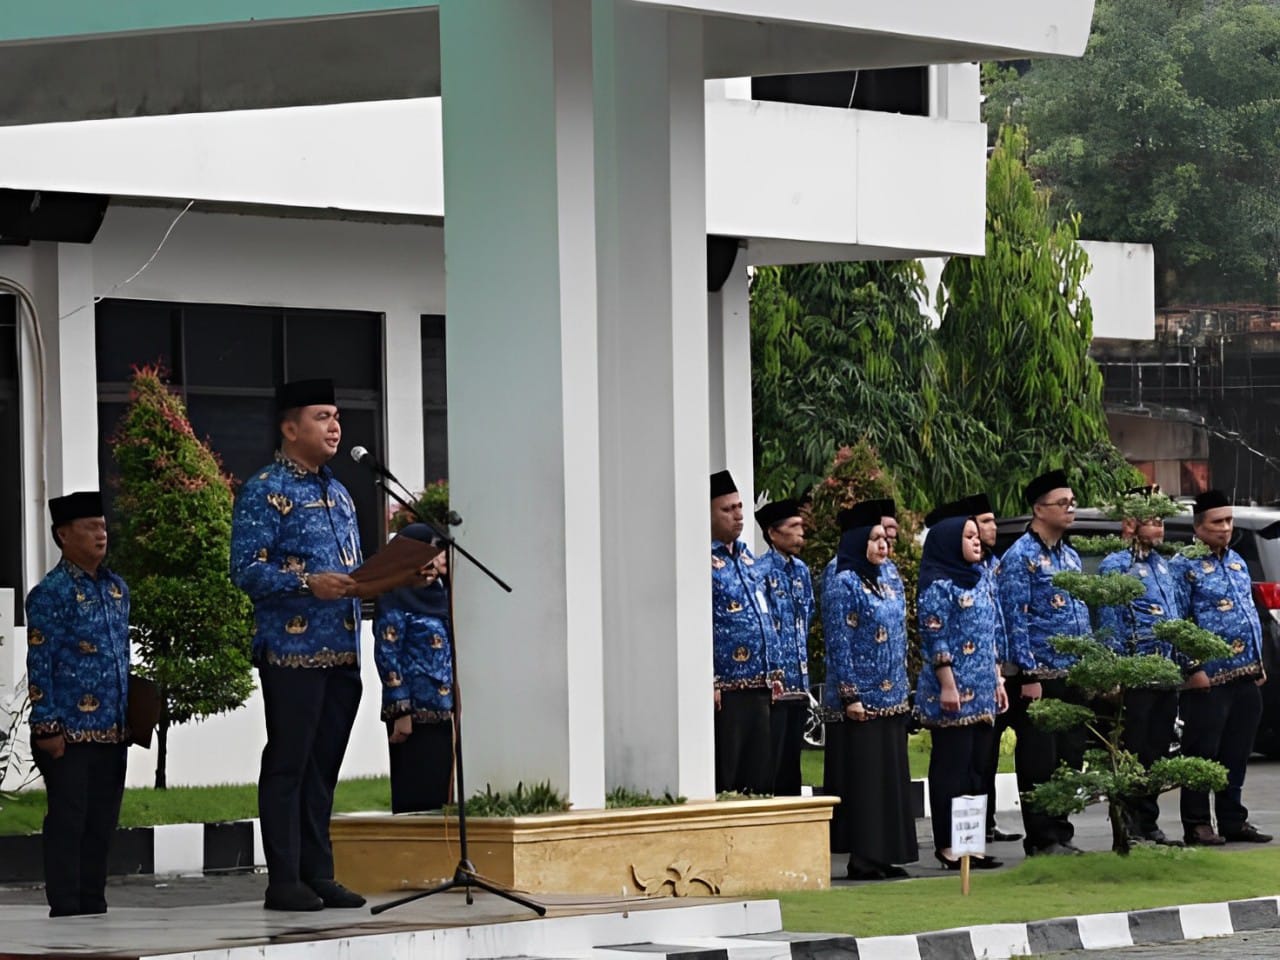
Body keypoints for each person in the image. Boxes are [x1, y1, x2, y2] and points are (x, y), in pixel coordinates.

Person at [230, 379, 367, 912]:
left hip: (343, 650)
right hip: (292, 653)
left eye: (337, 416)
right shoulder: (265, 490)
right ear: (290, 428)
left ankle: (318, 873)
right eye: (321, 416)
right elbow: (245, 570)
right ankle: (283, 879)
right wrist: (308, 583)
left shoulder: (340, 492)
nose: (335, 426)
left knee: (323, 769)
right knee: (289, 764)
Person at [25, 491, 130, 917]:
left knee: (102, 823)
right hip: (66, 733)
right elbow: (40, 662)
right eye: (90, 527)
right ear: (63, 535)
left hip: (113, 729)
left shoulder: (116, 589)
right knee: (69, 821)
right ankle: (66, 905)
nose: (101, 534)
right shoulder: (50, 594)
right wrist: (46, 726)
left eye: (102, 526)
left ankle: (93, 902)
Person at [996, 469, 1092, 856]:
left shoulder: (1070, 556)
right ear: (1039, 509)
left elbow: (1081, 613)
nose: (1070, 509)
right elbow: (1014, 619)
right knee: (1040, 758)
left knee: (1070, 755)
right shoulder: (1020, 557)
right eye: (1062, 503)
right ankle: (1041, 837)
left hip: (1073, 672)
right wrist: (1028, 674)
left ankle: (1062, 830)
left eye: (1072, 502)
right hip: (1038, 676)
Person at [822, 501, 917, 880]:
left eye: (885, 539)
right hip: (862, 700)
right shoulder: (843, 581)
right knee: (865, 782)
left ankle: (885, 854)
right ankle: (863, 858)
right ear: (859, 540)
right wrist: (850, 695)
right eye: (875, 539)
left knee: (889, 780)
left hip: (892, 696)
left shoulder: (886, 577)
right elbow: (838, 641)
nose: (883, 545)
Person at [1171, 489, 1272, 846]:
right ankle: (1197, 822)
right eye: (1217, 522)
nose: (1225, 528)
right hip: (1208, 678)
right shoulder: (1183, 566)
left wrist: (1258, 662)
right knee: (1202, 751)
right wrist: (1191, 668)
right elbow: (1177, 622)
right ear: (1199, 527)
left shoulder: (1236, 561)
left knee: (1237, 751)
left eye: (1229, 521)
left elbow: (1249, 613)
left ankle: (1232, 819)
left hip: (1245, 673)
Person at [916, 514, 1007, 870]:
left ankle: (971, 844)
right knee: (951, 769)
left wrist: (998, 680)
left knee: (976, 770)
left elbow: (991, 633)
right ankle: (948, 845)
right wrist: (948, 684)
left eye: (976, 536)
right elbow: (934, 637)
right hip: (953, 691)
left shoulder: (981, 578)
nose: (976, 542)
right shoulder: (937, 585)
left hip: (983, 690)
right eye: (968, 536)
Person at [1096, 485, 1184, 845]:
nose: (1159, 527)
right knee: (1133, 750)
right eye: (1152, 520)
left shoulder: (1163, 564)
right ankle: (1129, 824)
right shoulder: (1116, 565)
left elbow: (1174, 616)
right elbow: (1109, 621)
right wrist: (1114, 671)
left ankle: (1149, 821)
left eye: (1162, 520)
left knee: (1158, 752)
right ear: (1130, 523)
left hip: (1166, 671)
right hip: (1135, 674)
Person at [710, 470, 782, 795]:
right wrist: (710, 680)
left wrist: (775, 672)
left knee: (760, 776)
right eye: (728, 509)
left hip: (759, 685)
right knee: (729, 776)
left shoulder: (747, 557)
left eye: (739, 507)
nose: (738, 515)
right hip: (728, 690)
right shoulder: (703, 560)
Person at [374, 524, 454, 812]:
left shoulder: (441, 595)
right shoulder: (394, 595)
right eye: (425, 555)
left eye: (435, 554)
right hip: (413, 717)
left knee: (440, 799)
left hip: (444, 713)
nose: (432, 563)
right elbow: (387, 654)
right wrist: (401, 712)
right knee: (416, 796)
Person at [755, 499, 814, 795]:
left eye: (801, 526)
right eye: (793, 526)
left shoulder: (801, 571)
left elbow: (808, 614)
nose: (801, 532)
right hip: (774, 686)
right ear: (773, 533)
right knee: (772, 759)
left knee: (793, 758)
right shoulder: (760, 572)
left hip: (799, 683)